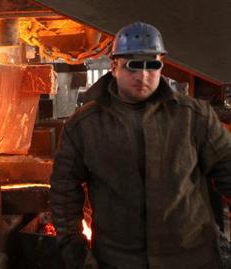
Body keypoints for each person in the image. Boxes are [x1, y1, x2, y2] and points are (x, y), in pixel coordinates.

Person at [50, 21, 231, 269]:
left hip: (192, 258)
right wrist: (75, 251)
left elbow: (227, 170)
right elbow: (64, 193)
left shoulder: (194, 117)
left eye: (152, 65)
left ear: (161, 66)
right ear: (114, 67)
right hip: (118, 260)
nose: (143, 76)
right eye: (133, 66)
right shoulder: (84, 126)